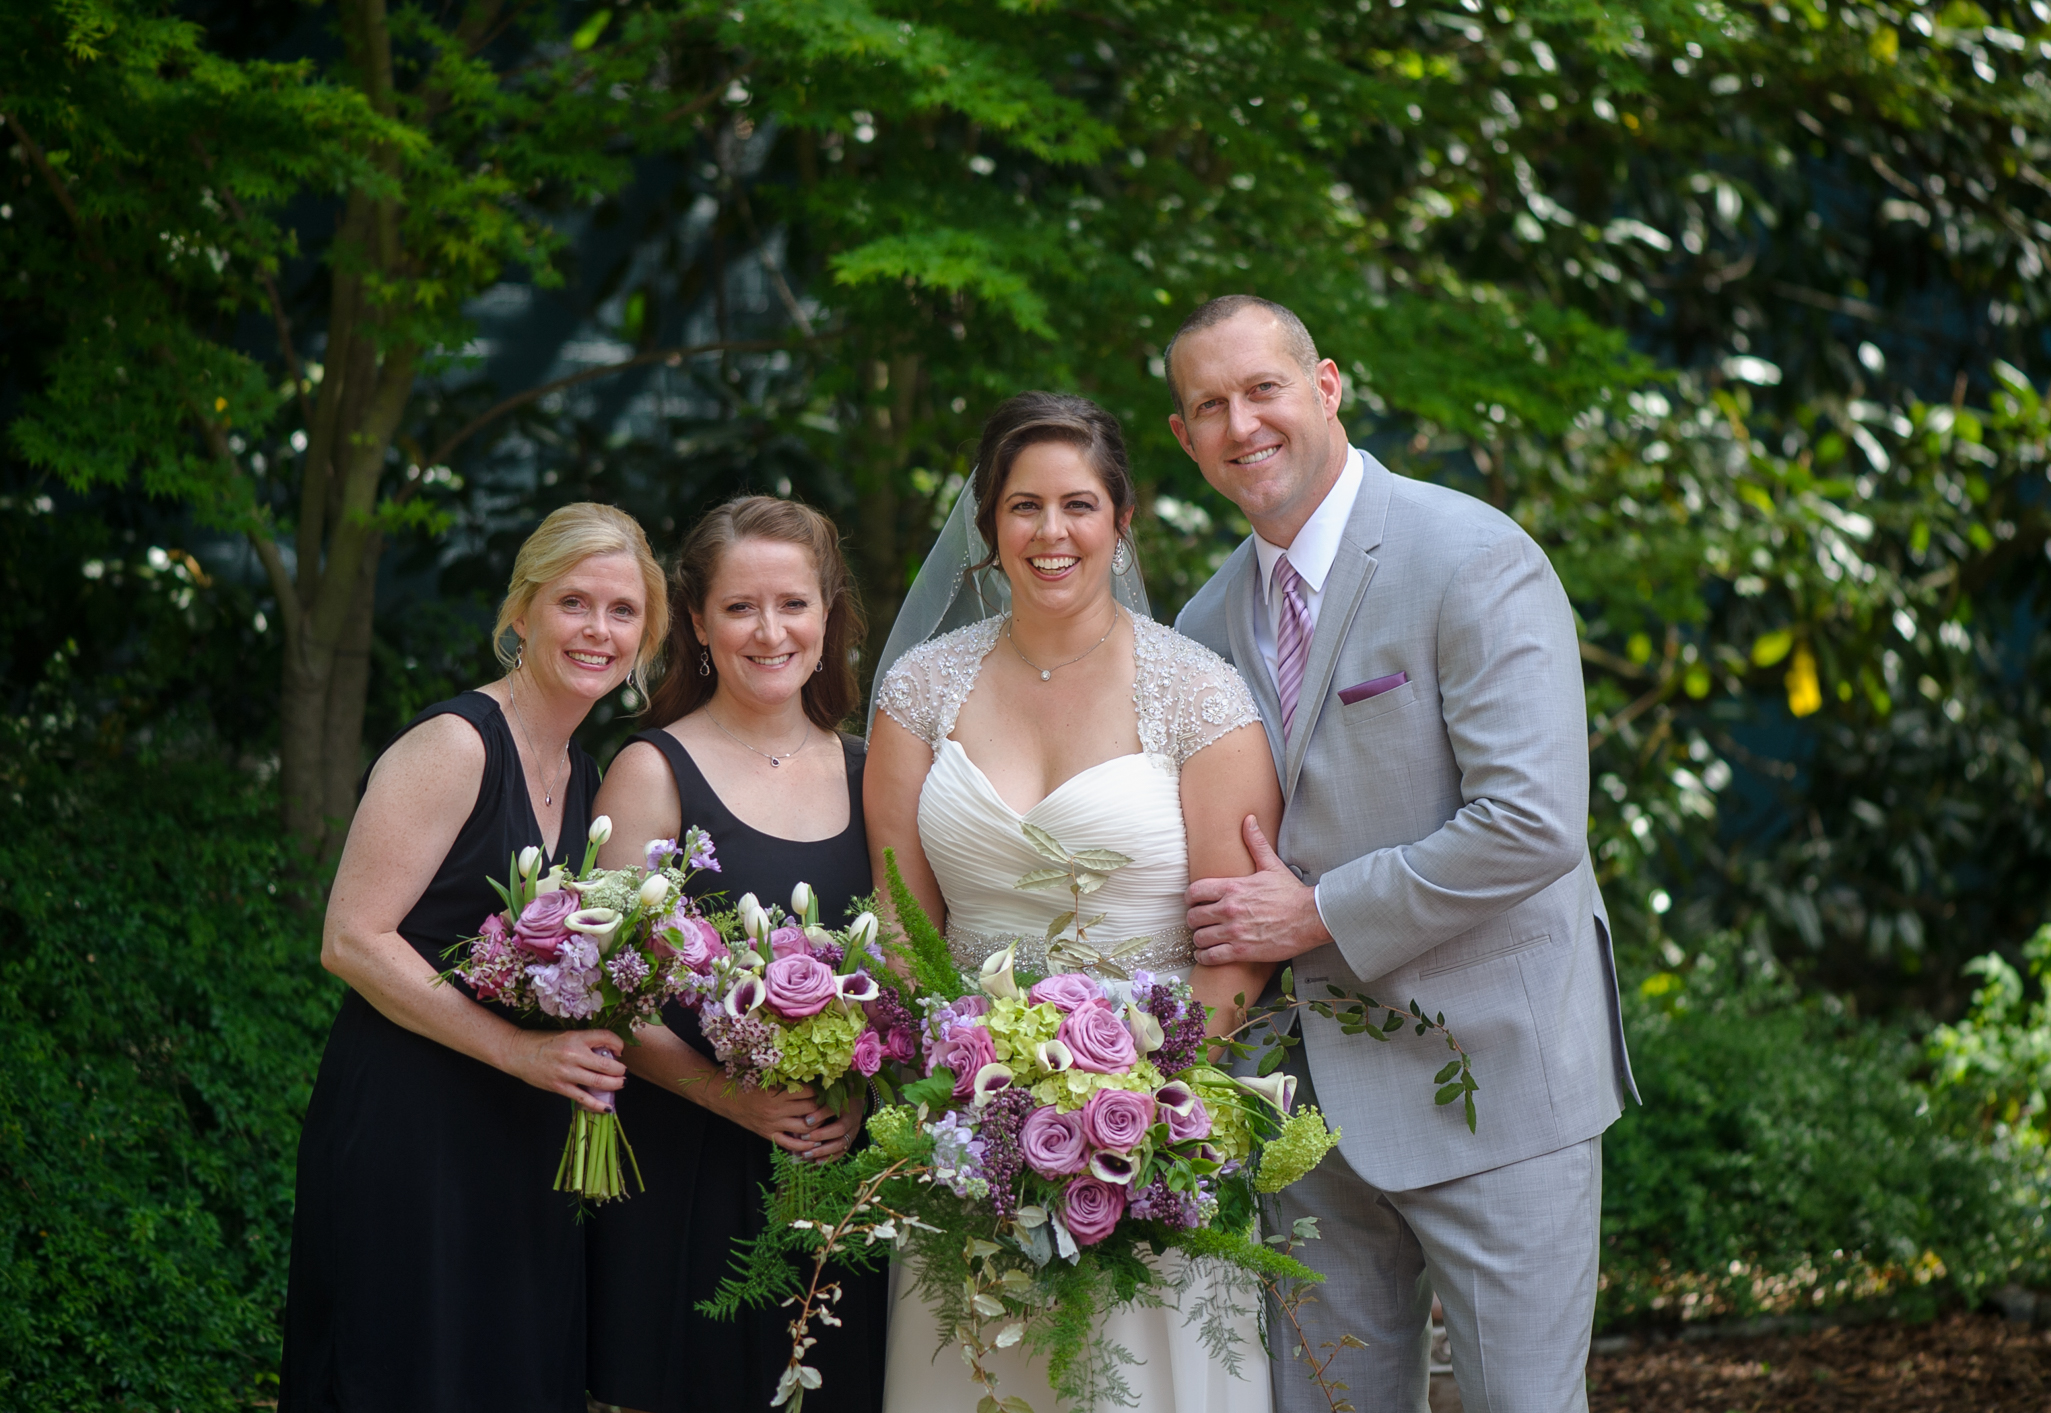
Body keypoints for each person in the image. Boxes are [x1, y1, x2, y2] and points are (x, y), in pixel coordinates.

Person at [1165, 295, 1639, 1413]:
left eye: (1263, 389)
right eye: (1208, 407)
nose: (1242, 425)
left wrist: (1316, 912)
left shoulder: (1471, 555)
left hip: (1497, 1085)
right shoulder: (1199, 625)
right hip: (1305, 1118)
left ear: (1325, 385)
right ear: (1184, 440)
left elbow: (1529, 821)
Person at [866, 391, 1285, 1413]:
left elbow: (1238, 939)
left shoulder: (1199, 693)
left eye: (1077, 505)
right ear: (986, 523)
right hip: (967, 1132)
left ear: (1121, 520)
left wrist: (1152, 1112)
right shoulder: (919, 692)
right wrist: (964, 1105)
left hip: (1156, 1130)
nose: (1050, 533)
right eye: (1022, 507)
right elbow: (899, 923)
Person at [280, 502, 666, 1412]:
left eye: (623, 612)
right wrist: (520, 1050)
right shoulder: (455, 744)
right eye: (575, 602)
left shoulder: (582, 771)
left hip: (516, 1133)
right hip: (412, 1126)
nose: (597, 631)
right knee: (407, 1368)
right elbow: (351, 939)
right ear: (521, 612)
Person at [586, 495, 888, 1413]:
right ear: (699, 624)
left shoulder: (873, 770)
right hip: (687, 1171)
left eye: (793, 604)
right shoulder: (651, 769)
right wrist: (735, 1098)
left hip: (836, 1178)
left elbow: (912, 965)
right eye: (741, 607)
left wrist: (865, 1088)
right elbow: (604, 995)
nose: (770, 631)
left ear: (828, 616)